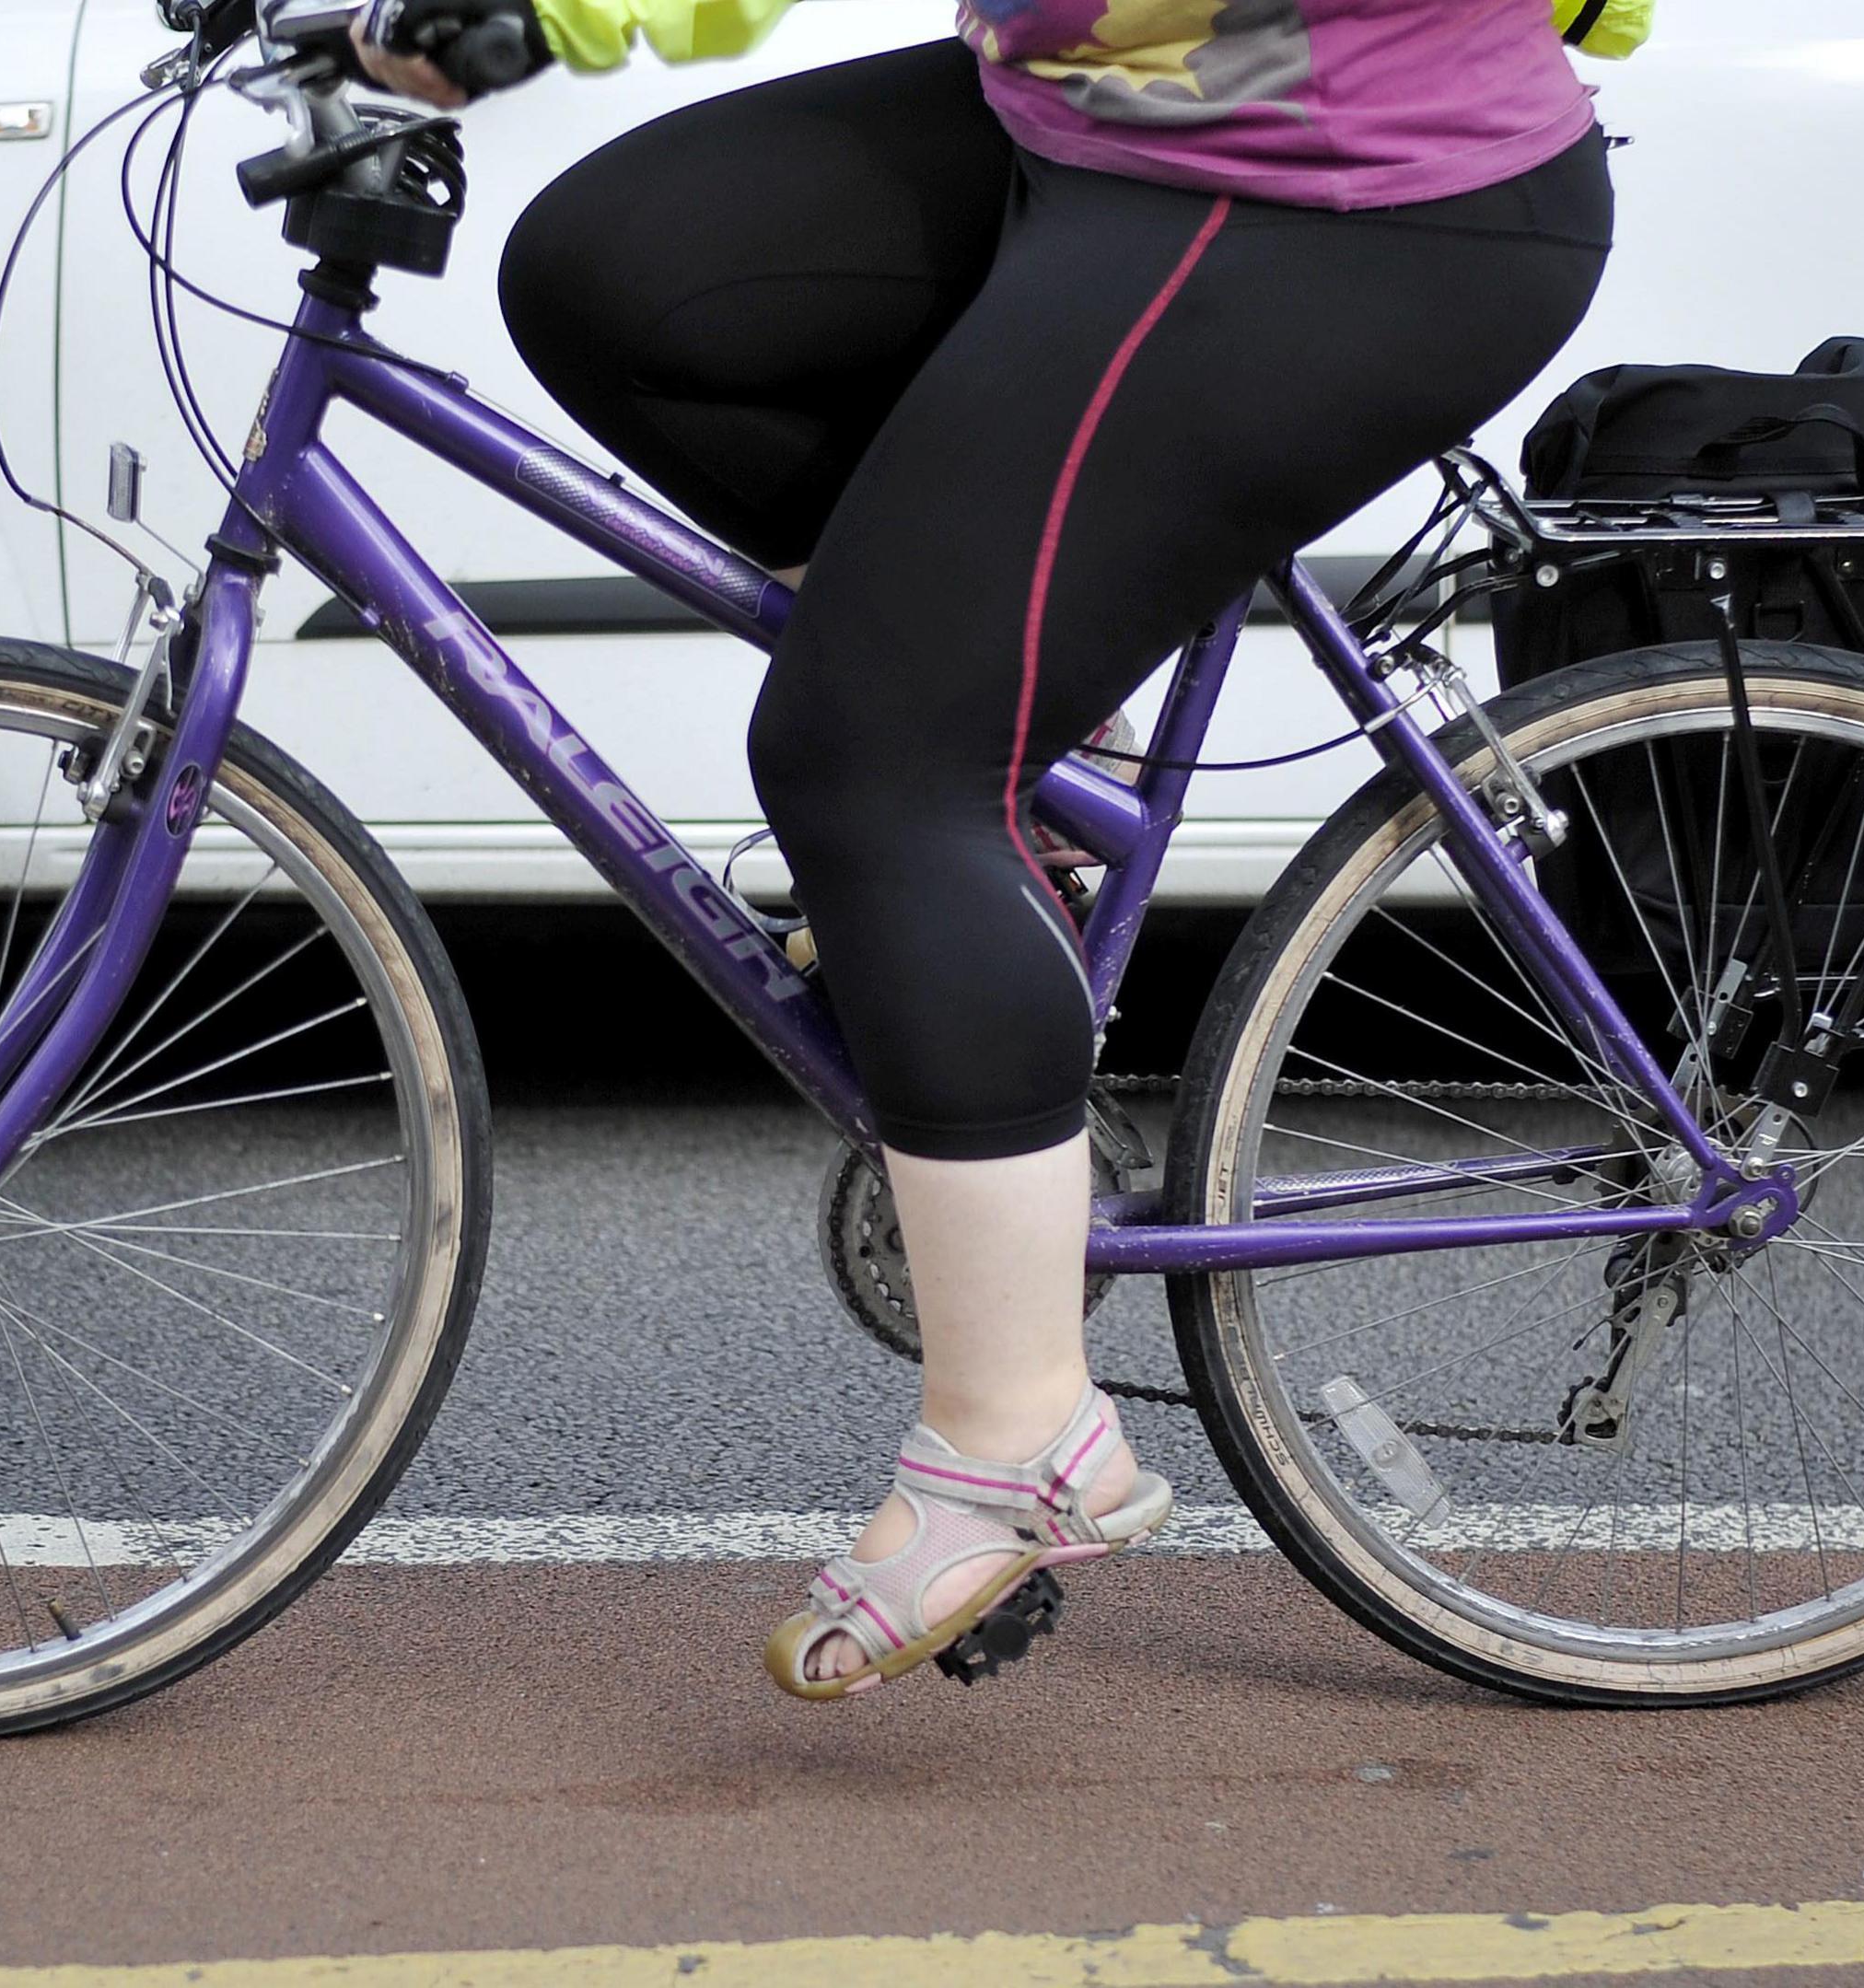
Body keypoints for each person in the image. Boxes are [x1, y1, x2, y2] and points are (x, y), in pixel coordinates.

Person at [349, 0, 1638, 1698]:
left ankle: (1020, 1438)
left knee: (868, 762)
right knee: (618, 275)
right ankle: (1019, 724)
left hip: (1351, 188)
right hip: (1120, 114)